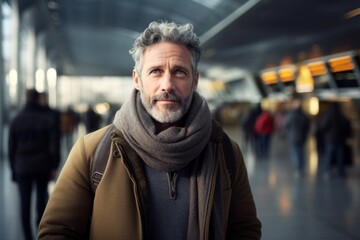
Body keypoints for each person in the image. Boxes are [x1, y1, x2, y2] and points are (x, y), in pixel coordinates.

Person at [38, 21, 262, 239]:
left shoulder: (225, 151)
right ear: (137, 79)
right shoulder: (92, 151)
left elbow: (244, 229)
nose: (167, 85)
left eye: (179, 72)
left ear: (195, 81)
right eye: (155, 71)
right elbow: (57, 231)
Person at [8, 89, 60, 240]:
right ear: (38, 99)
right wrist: (54, 166)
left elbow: (11, 148)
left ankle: (27, 236)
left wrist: (13, 170)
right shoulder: (47, 119)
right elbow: (54, 147)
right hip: (42, 166)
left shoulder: (16, 120)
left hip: (22, 168)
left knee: (25, 204)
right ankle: (41, 233)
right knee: (41, 202)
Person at [317, 102, 352, 178]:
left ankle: (327, 171)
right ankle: (341, 172)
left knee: (329, 156)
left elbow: (322, 127)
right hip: (340, 139)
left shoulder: (328, 116)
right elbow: (346, 127)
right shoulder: (341, 116)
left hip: (330, 139)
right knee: (340, 157)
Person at [284, 99, 311, 177]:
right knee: (301, 152)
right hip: (302, 137)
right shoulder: (304, 115)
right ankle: (301, 167)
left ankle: (298, 168)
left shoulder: (290, 115)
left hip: (292, 137)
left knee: (295, 153)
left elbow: (286, 124)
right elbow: (307, 126)